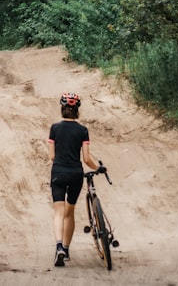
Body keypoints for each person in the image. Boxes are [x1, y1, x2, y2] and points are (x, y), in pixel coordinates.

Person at [47, 92, 106, 267]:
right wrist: (99, 168)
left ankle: (58, 247)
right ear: (77, 110)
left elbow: (51, 156)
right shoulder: (82, 130)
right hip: (75, 174)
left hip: (58, 172)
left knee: (58, 212)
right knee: (69, 212)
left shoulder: (54, 128)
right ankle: (66, 249)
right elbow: (87, 159)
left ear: (62, 109)